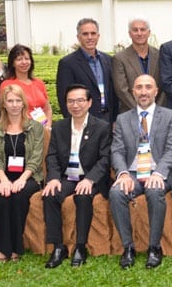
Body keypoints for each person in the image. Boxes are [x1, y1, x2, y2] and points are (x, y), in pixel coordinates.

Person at [110, 74, 172, 269]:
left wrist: (158, 173)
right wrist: (123, 173)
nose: (143, 92)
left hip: (157, 171)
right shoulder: (122, 119)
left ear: (156, 91)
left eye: (148, 87)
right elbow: (117, 150)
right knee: (116, 193)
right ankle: (128, 248)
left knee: (155, 191)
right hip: (132, 172)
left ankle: (154, 247)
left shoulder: (170, 116)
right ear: (133, 92)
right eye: (139, 87)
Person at [42, 84, 111, 268]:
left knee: (83, 197)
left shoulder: (102, 127)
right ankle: (58, 246)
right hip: (66, 177)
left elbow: (105, 159)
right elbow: (52, 156)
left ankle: (80, 246)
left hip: (89, 177)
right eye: (71, 101)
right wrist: (54, 178)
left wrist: (90, 179)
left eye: (80, 100)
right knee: (50, 195)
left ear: (89, 103)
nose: (76, 105)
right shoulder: (60, 127)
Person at [0, 84, 44, 262]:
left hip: (29, 176)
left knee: (19, 195)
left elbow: (36, 158)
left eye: (17, 100)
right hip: (3, 176)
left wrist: (22, 179)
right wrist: (4, 180)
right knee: (3, 196)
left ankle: (17, 247)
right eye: (10, 101)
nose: (14, 104)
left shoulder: (35, 127)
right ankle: (5, 248)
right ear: (3, 104)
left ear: (23, 103)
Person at [56, 18, 118, 124]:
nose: (90, 37)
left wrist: (115, 120)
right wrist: (74, 124)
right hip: (84, 122)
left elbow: (113, 93)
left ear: (98, 36)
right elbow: (64, 97)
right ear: (78, 37)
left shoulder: (108, 60)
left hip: (108, 122)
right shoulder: (67, 63)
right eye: (85, 34)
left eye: (93, 33)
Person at [112, 18, 164, 113]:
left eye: (143, 29)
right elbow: (122, 90)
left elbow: (165, 86)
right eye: (135, 30)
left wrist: (155, 110)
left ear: (149, 32)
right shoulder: (119, 58)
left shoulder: (160, 55)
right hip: (130, 113)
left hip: (158, 114)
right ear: (129, 33)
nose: (139, 33)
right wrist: (139, 111)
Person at [0, 44, 53, 128]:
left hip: (42, 129)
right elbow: (5, 111)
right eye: (19, 59)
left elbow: (48, 109)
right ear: (13, 63)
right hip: (21, 130)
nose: (24, 62)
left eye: (27, 59)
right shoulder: (7, 84)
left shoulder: (39, 83)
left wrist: (48, 126)